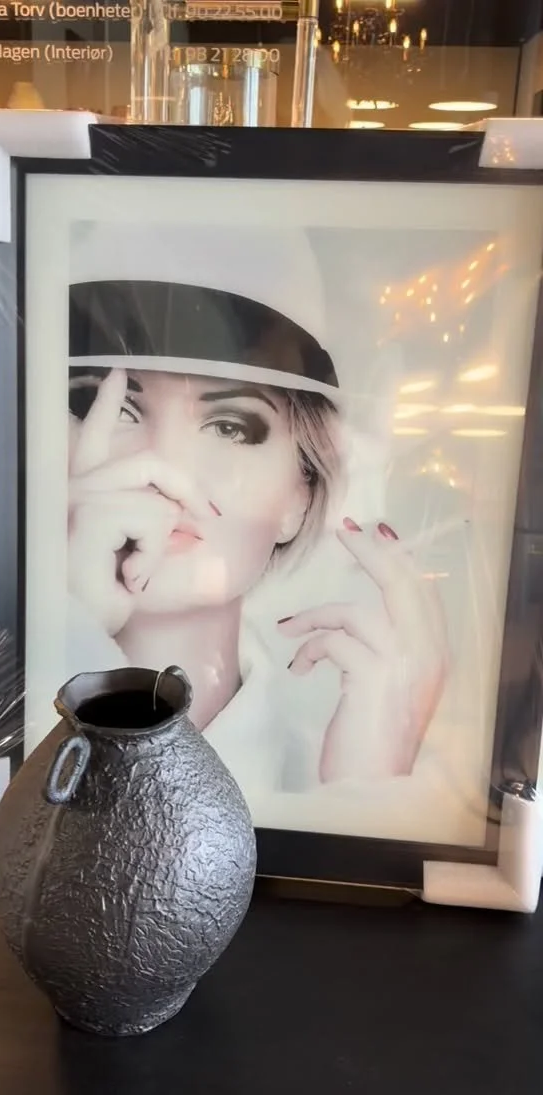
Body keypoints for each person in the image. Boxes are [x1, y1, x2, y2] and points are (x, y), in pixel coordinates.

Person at [66, 271, 449, 796]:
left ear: (302, 493)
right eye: (114, 409)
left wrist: (367, 795)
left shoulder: (324, 779)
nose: (165, 465)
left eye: (231, 426)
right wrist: (66, 635)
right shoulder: (20, 707)